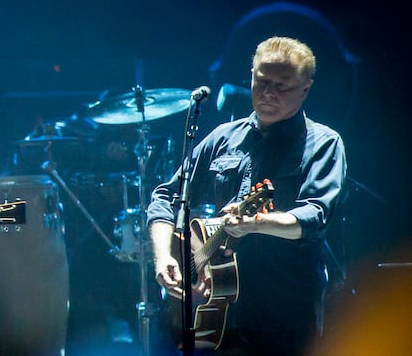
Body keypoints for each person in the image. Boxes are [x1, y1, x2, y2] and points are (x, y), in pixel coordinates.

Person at [147, 36, 347, 355]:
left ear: (305, 89)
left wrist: (257, 224)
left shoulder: (323, 143)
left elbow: (314, 217)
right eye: (261, 81)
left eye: (282, 85)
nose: (268, 93)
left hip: (284, 313)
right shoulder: (222, 137)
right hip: (217, 314)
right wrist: (163, 256)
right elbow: (166, 198)